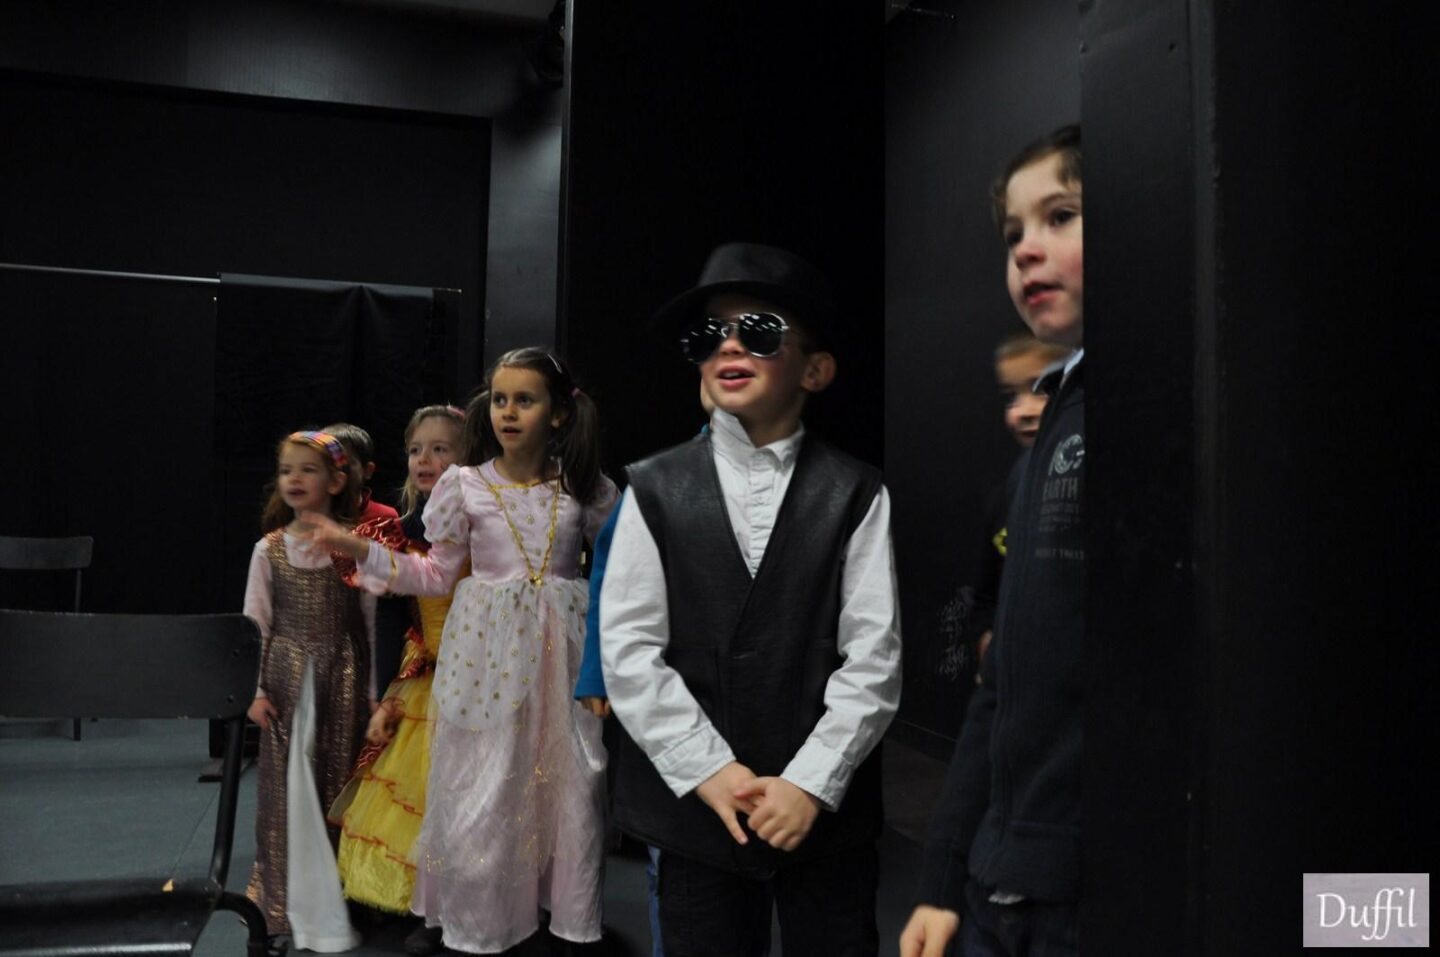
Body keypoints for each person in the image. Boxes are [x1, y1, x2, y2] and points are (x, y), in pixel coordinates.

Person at [600, 242, 902, 957]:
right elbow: (630, 649)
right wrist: (710, 770)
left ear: (815, 369)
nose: (729, 344)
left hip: (824, 816)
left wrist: (810, 783)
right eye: (710, 335)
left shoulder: (857, 492)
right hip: (699, 815)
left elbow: (874, 657)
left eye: (760, 331)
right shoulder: (653, 488)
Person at [307, 349, 618, 955]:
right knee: (486, 785)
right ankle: (479, 924)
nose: (508, 412)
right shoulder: (465, 486)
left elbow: (618, 564)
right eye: (500, 400)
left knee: (570, 784)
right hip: (486, 657)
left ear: (558, 413)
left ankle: (563, 920)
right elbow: (435, 574)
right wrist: (362, 548)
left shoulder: (583, 486)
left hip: (562, 655)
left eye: (524, 400)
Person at [900, 124, 1085, 957]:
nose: (1026, 250)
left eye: (1061, 216)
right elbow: (1000, 681)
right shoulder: (1042, 446)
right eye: (1014, 234)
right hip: (1000, 881)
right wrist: (942, 876)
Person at [574, 382, 715, 957]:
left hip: (762, 696)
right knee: (673, 849)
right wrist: (595, 671)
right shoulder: (660, 481)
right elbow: (609, 576)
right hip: (673, 684)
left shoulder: (819, 480)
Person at [328, 406, 466, 954]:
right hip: (425, 676)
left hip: (479, 678)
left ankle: (456, 906)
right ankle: (415, 902)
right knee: (413, 790)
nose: (424, 459)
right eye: (415, 450)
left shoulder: (484, 527)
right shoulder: (398, 533)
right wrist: (384, 689)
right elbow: (389, 617)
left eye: (441, 449)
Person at [243, 429, 375, 951]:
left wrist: (373, 692)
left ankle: (337, 897)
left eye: (307, 470)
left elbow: (369, 623)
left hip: (342, 676)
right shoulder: (269, 550)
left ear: (336, 481)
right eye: (286, 471)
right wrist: (254, 690)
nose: (294, 479)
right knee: (289, 786)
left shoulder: (353, 547)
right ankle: (281, 900)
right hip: (287, 681)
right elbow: (255, 624)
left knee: (337, 784)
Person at [965, 333, 1074, 670]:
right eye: (1011, 397)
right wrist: (985, 637)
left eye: (1040, 389)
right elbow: (985, 594)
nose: (1022, 412)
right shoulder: (1008, 494)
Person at [325, 421, 400, 524]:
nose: (335, 471)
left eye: (345, 464)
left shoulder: (384, 518)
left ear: (367, 470)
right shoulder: (308, 512)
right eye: (327, 463)